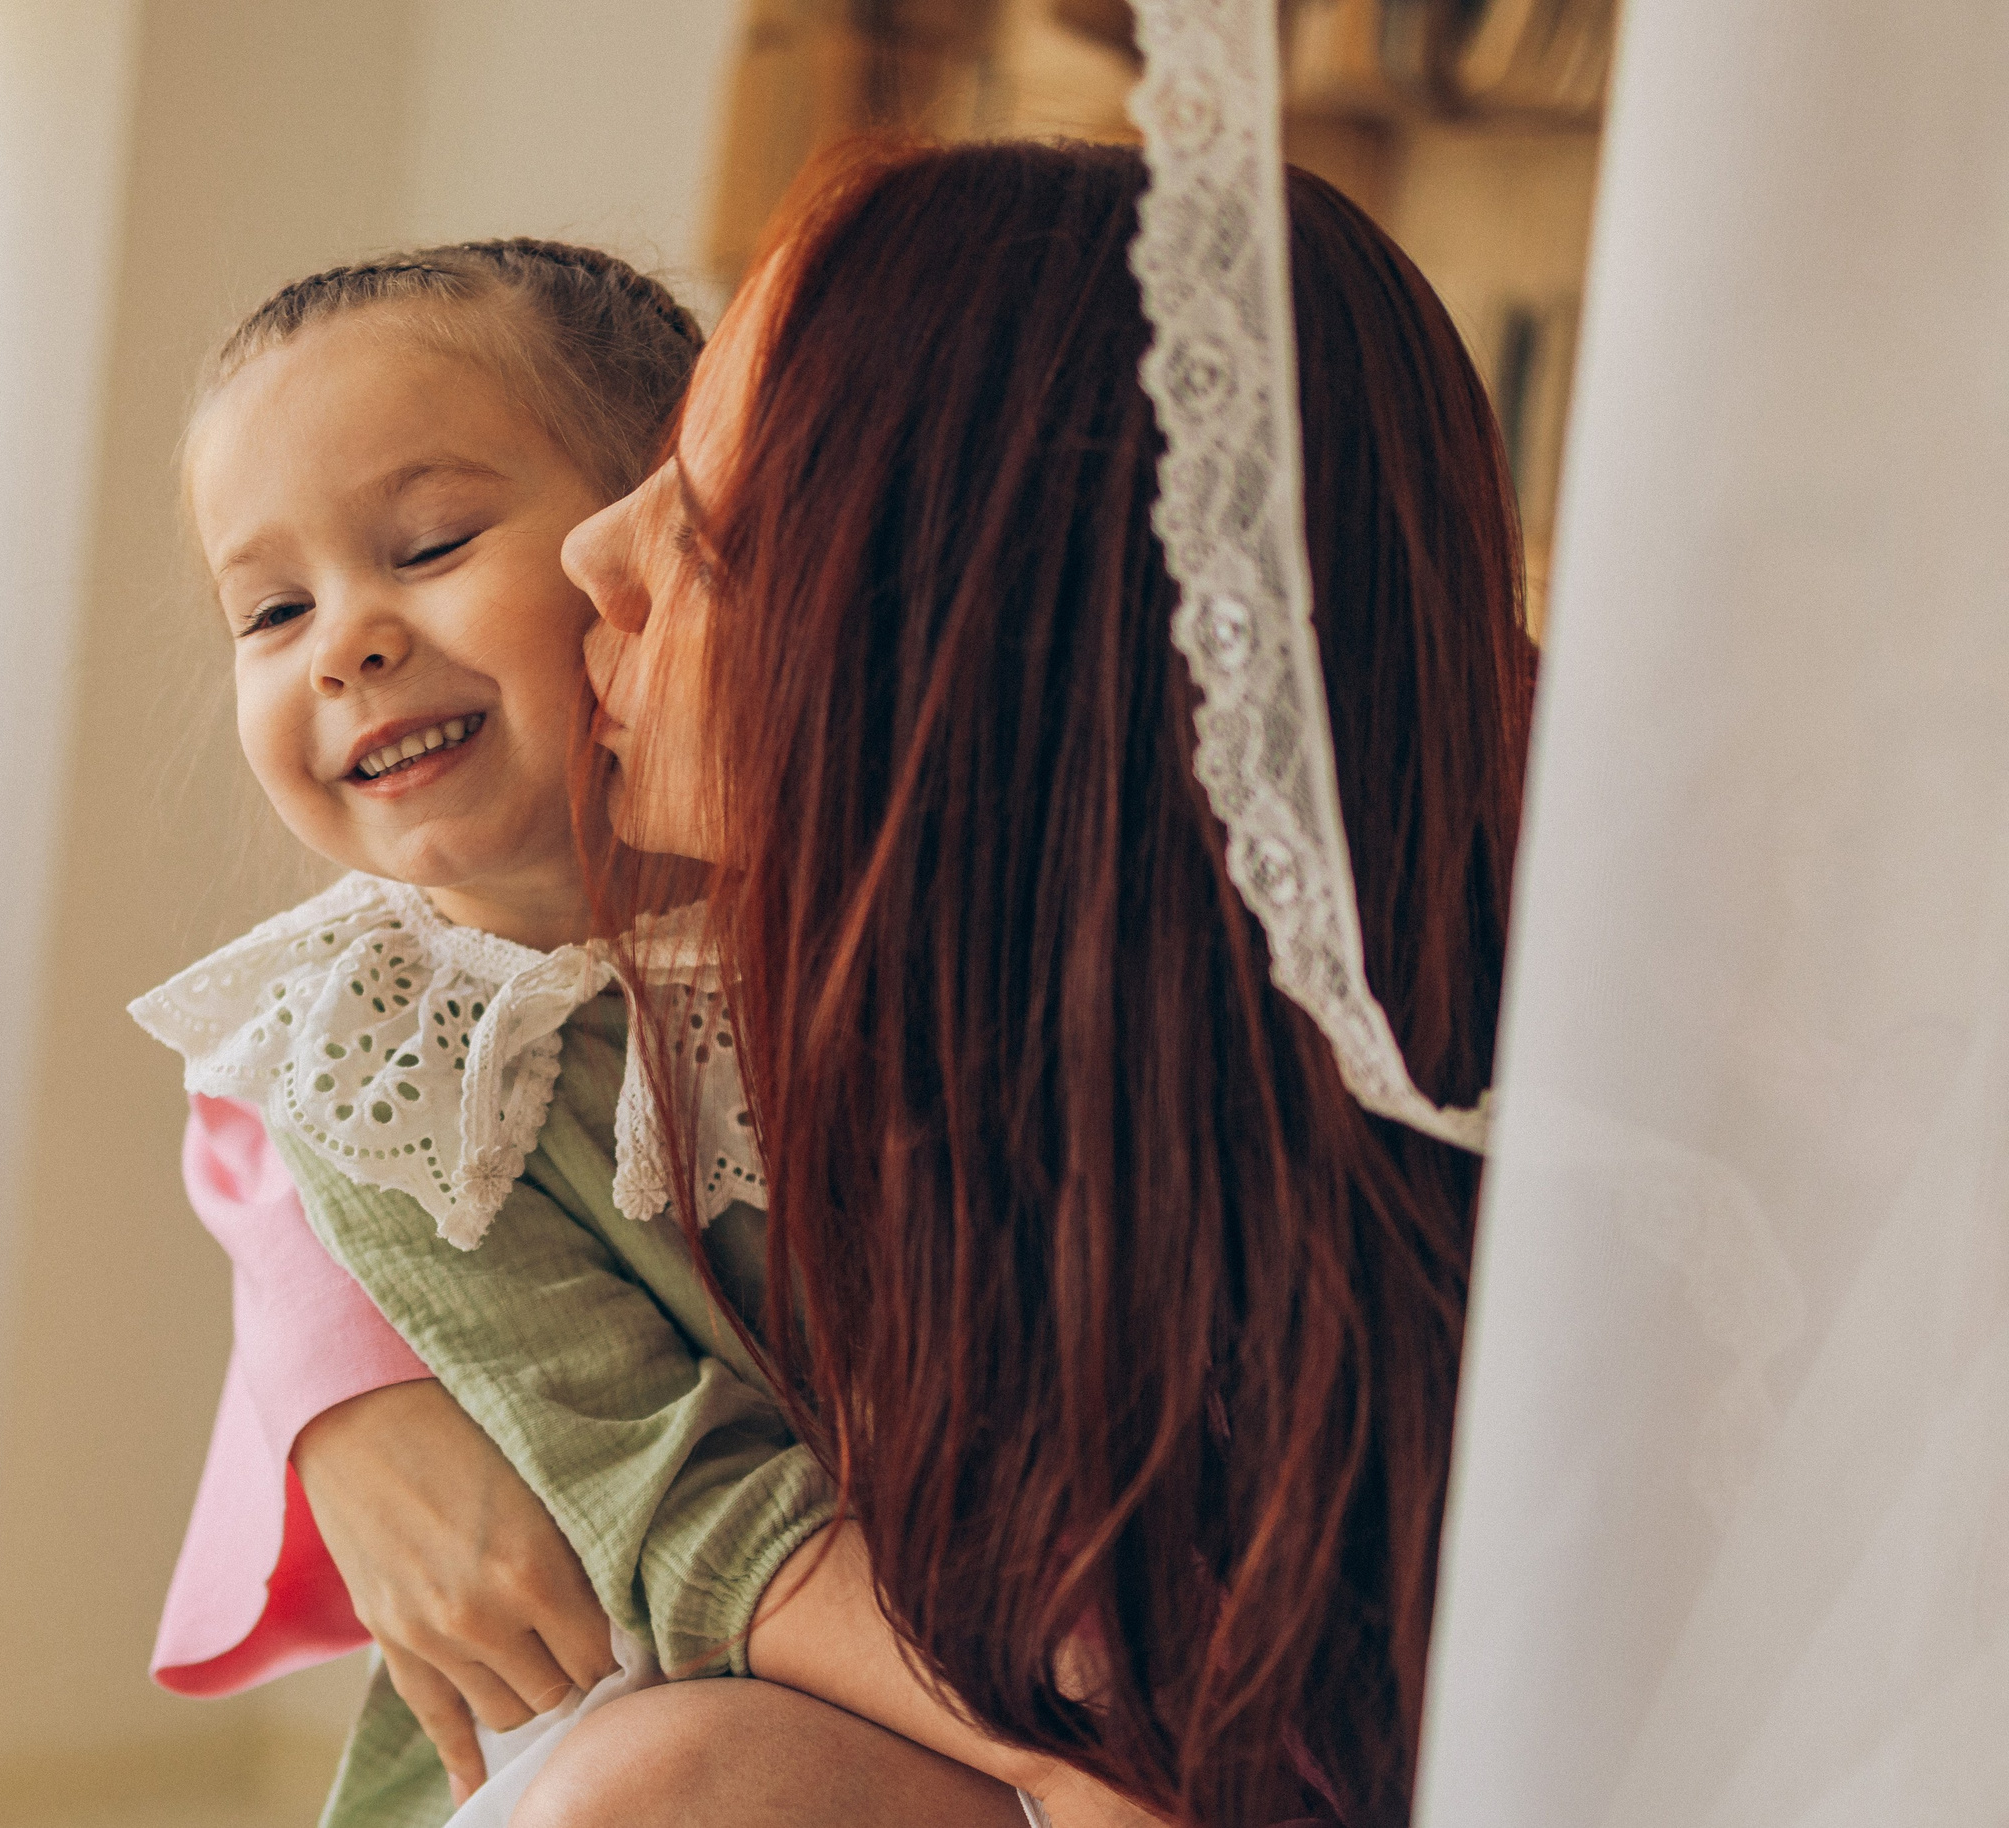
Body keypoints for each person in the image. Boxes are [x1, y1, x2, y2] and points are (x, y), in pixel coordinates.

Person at [544, 139, 1534, 1828]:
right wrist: (343, 1380)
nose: (592, 551)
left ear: (968, 634)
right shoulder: (915, 1077)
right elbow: (365, 1030)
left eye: (709, 525)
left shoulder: (1466, 1287)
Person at [130, 237, 1028, 1828]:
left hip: (1043, 1655)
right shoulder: (379, 1063)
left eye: (431, 544)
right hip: (661, 1698)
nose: (345, 641)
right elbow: (682, 1514)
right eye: (270, 610)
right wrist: (1056, 1741)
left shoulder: (922, 913)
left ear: (663, 542)